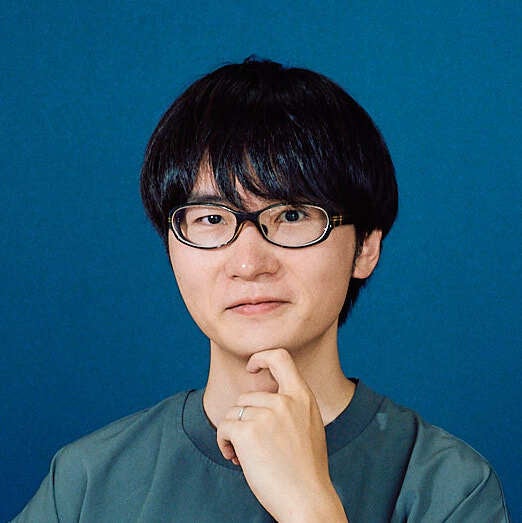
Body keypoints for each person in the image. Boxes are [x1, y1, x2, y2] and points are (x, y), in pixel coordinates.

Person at [12, 58, 510, 522]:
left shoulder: (449, 488)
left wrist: (309, 504)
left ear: (365, 247)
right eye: (210, 219)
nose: (249, 264)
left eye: (291, 215)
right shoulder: (86, 482)